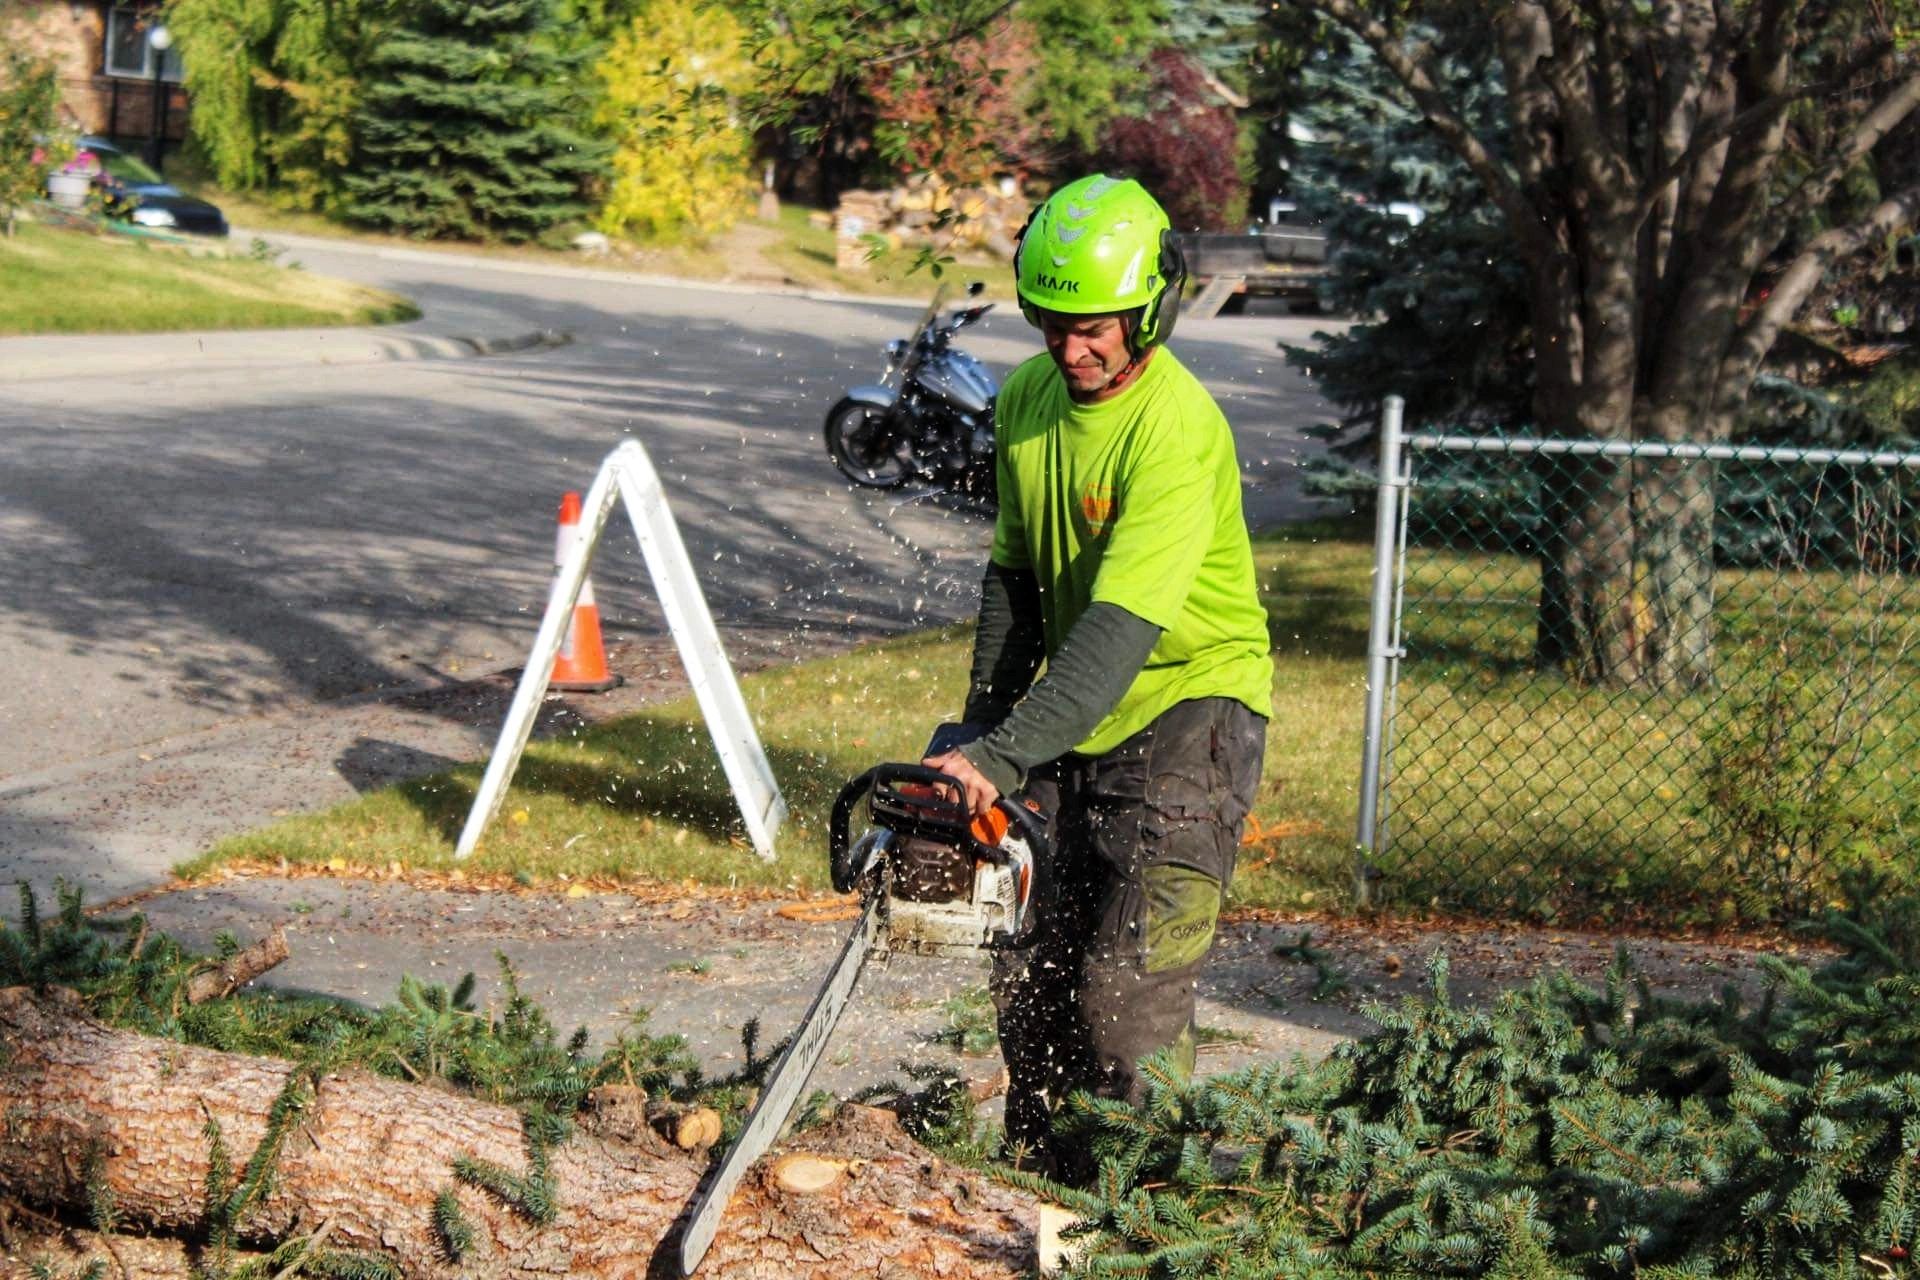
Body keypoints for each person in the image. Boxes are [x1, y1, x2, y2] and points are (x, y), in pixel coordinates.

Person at [922, 173, 1273, 1180]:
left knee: (1126, 993)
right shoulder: (1030, 401)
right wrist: (978, 731)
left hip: (1187, 709)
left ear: (1149, 308)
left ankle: (1159, 1205)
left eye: (1096, 327)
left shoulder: (1177, 428)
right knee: (1028, 969)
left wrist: (1006, 750)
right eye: (1054, 326)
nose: (1073, 349)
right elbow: (1017, 582)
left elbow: (1118, 632)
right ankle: (1038, 1190)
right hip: (1076, 704)